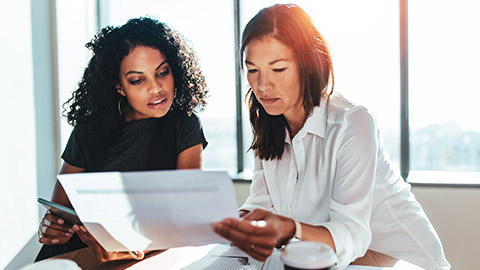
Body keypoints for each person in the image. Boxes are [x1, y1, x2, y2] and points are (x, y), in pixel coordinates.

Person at [213, 4, 450, 270]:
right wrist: (230, 224)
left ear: (309, 66)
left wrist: (289, 228)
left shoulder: (353, 123)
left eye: (278, 69)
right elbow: (261, 203)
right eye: (253, 70)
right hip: (326, 256)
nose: (262, 85)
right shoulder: (269, 124)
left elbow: (352, 233)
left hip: (394, 257)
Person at [36, 17, 208, 262]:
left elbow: (185, 219)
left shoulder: (184, 125)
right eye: (138, 80)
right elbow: (60, 211)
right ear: (119, 86)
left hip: (143, 256)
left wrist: (130, 246)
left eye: (162, 72)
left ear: (175, 69)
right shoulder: (89, 129)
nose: (156, 88)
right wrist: (52, 228)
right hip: (76, 255)